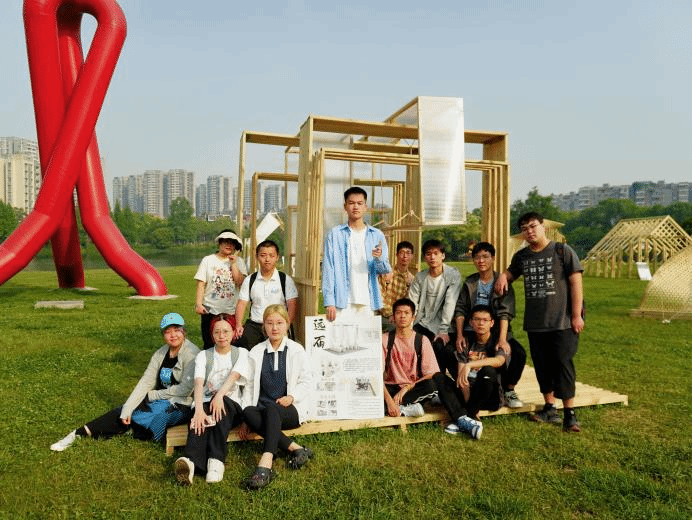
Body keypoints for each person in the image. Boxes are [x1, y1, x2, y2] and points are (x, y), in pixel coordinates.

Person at [50, 313, 199, 451]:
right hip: (158, 400)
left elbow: (185, 389)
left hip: (180, 404)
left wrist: (154, 395)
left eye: (177, 330)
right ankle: (78, 433)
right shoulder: (160, 353)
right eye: (167, 332)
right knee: (123, 411)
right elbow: (145, 382)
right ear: (163, 335)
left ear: (184, 331)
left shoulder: (192, 354)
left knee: (157, 421)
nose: (173, 335)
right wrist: (128, 407)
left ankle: (132, 430)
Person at [495, 212, 584, 432]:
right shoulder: (522, 256)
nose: (529, 231)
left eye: (533, 226)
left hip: (562, 321)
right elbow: (511, 273)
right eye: (524, 229)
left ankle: (570, 414)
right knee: (542, 366)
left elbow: (576, 283)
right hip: (536, 322)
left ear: (543, 227)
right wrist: (503, 276)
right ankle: (549, 407)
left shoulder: (562, 251)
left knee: (563, 364)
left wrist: (576, 315)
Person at [239, 304, 313, 490]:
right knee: (248, 412)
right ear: (263, 326)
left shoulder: (296, 350)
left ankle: (266, 463)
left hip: (289, 410)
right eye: (270, 323)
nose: (274, 328)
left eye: (279, 323)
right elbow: (249, 386)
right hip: (264, 410)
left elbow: (307, 381)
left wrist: (292, 397)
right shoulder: (256, 352)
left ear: (287, 324)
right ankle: (296, 448)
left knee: (273, 407)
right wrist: (246, 420)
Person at [174, 316, 250, 485]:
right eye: (217, 332)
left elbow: (234, 376)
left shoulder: (241, 353)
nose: (221, 336)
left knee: (220, 410)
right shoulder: (203, 355)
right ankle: (191, 463)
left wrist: (219, 396)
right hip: (206, 400)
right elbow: (198, 383)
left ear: (233, 333)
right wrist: (198, 410)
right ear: (212, 335)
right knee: (199, 420)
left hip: (231, 403)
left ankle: (216, 461)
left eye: (226, 331)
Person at [454, 242, 527, 408]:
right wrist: (459, 335)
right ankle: (462, 385)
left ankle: (508, 390)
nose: (481, 261)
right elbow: (460, 309)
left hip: (495, 330)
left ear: (493, 258)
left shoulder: (501, 281)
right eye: (477, 257)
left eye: (485, 257)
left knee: (518, 352)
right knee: (451, 349)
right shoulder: (470, 282)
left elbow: (504, 313)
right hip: (472, 329)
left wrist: (502, 338)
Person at [433, 305, 508, 440]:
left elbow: (499, 360)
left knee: (488, 370)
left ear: (492, 323)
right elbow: (462, 378)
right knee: (438, 377)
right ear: (471, 322)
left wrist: (471, 364)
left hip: (489, 396)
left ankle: (463, 417)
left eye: (485, 320)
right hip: (467, 394)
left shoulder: (498, 342)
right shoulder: (466, 342)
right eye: (477, 319)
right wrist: (470, 404)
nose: (481, 323)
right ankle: (467, 419)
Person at [322, 186, 392, 322]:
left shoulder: (376, 235)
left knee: (366, 336)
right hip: (342, 300)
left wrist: (378, 258)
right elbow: (328, 269)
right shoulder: (335, 234)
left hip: (368, 299)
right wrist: (329, 301)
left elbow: (384, 270)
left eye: (360, 203)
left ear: (365, 207)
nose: (355, 207)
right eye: (351, 203)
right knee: (342, 336)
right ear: (345, 207)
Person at [408, 239, 462, 375]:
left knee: (439, 347)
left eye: (436, 253)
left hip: (445, 324)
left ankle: (440, 380)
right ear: (424, 257)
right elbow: (412, 301)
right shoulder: (421, 276)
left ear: (443, 255)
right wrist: (409, 324)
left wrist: (443, 329)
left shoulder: (452, 275)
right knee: (412, 342)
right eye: (428, 254)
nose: (432, 257)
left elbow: (450, 302)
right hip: (423, 322)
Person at [234, 239, 299, 350]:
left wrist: (286, 326)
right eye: (263, 255)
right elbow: (242, 303)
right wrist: (238, 324)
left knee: (279, 354)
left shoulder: (285, 280)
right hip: (255, 325)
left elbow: (292, 304)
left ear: (277, 257)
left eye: (271, 256)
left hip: (278, 325)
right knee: (249, 353)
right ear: (257, 257)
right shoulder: (250, 280)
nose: (267, 259)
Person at [383, 298, 439, 418]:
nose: (402, 316)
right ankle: (405, 408)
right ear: (393, 317)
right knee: (372, 392)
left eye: (406, 313)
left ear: (413, 317)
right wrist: (389, 401)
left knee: (433, 385)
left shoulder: (422, 340)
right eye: (398, 313)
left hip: (412, 387)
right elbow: (376, 373)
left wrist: (407, 387)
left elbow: (431, 373)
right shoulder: (385, 339)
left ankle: (399, 407)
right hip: (390, 387)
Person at [194, 229, 248, 349]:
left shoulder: (239, 262)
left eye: (232, 243)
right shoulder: (208, 260)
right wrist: (198, 304)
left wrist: (233, 264)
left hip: (231, 310)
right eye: (225, 242)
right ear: (219, 243)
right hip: (210, 310)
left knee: (231, 343)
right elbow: (201, 283)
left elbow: (240, 282)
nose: (229, 245)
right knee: (209, 342)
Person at [378, 240, 416, 332]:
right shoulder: (386, 274)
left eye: (408, 253)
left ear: (412, 256)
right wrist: (391, 314)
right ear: (397, 255)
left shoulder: (411, 279)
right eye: (402, 253)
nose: (405, 256)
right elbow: (379, 298)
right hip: (383, 315)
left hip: (399, 317)